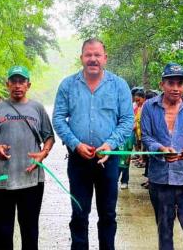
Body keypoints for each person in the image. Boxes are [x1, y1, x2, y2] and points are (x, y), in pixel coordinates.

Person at [53, 38, 134, 249]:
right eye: (88, 55)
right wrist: (75, 144)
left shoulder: (119, 85)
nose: (93, 59)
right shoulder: (68, 85)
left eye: (97, 55)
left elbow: (127, 120)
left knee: (108, 214)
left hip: (108, 160)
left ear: (105, 58)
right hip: (78, 160)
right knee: (79, 213)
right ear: (81, 58)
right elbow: (59, 118)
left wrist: (110, 143)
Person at [0, 65, 55, 250]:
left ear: (28, 85)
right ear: (7, 84)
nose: (17, 85)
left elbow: (49, 136)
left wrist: (43, 153)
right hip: (2, 180)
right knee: (2, 230)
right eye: (13, 81)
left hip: (31, 179)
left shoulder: (37, 108)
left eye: (21, 81)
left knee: (30, 230)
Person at [141, 63, 183, 250]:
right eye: (171, 83)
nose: (176, 88)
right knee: (164, 230)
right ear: (162, 84)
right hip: (160, 179)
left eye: (180, 83)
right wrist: (161, 149)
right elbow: (145, 136)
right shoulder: (149, 107)